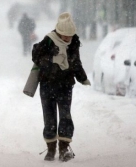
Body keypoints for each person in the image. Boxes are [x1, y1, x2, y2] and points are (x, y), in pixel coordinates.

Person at [31, 12, 91, 161]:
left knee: (65, 116)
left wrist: (82, 78)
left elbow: (76, 62)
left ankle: (64, 149)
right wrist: (52, 58)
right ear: (58, 32)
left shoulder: (74, 42)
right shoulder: (49, 40)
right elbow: (36, 56)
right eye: (65, 35)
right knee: (49, 117)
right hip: (47, 84)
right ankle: (51, 149)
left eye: (70, 35)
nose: (67, 38)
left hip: (65, 85)